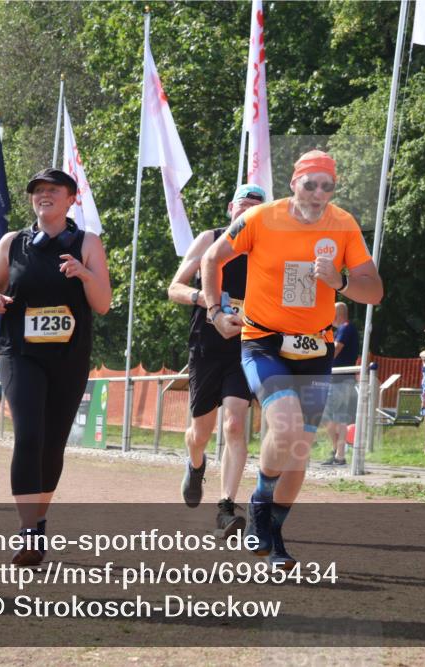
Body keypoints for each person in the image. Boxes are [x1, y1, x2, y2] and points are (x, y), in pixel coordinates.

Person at [201, 150, 383, 567]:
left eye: (327, 186)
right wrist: (215, 313)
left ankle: (273, 536)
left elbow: (373, 292)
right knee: (284, 425)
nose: (318, 193)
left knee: (298, 451)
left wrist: (340, 281)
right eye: (310, 183)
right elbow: (213, 259)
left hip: (315, 346)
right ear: (293, 184)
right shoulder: (261, 218)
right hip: (263, 341)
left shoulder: (344, 224)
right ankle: (259, 506)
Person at [0, 168, 111, 566]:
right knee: (29, 435)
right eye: (37, 190)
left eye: (53, 190)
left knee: (53, 442)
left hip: (69, 357)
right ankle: (28, 531)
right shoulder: (12, 242)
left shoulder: (86, 242)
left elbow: (103, 303)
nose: (43, 195)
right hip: (20, 352)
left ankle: (38, 521)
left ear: (72, 199)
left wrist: (84, 273)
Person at [167, 184, 265, 536]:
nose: (248, 212)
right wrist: (207, 302)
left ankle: (226, 507)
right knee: (199, 433)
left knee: (235, 424)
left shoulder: (266, 250)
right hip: (207, 347)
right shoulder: (210, 240)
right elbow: (173, 287)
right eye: (244, 206)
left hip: (246, 348)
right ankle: (195, 465)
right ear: (230, 208)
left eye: (256, 208)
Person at [320, 302, 359, 466]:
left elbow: (335, 349)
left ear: (336, 314)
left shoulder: (345, 328)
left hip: (340, 379)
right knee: (334, 417)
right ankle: (337, 451)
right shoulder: (347, 329)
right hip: (341, 378)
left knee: (333, 417)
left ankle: (339, 452)